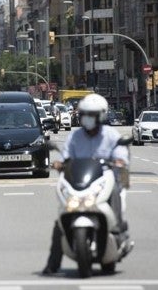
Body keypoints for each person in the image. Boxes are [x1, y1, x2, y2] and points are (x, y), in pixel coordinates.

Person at [42, 93, 132, 275]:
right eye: (84, 114)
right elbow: (65, 157)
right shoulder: (75, 137)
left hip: (105, 181)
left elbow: (121, 156)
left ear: (101, 116)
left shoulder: (111, 135)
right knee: (61, 219)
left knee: (117, 193)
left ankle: (118, 233)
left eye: (91, 115)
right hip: (81, 183)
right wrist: (60, 163)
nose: (87, 118)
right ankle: (53, 264)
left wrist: (119, 162)